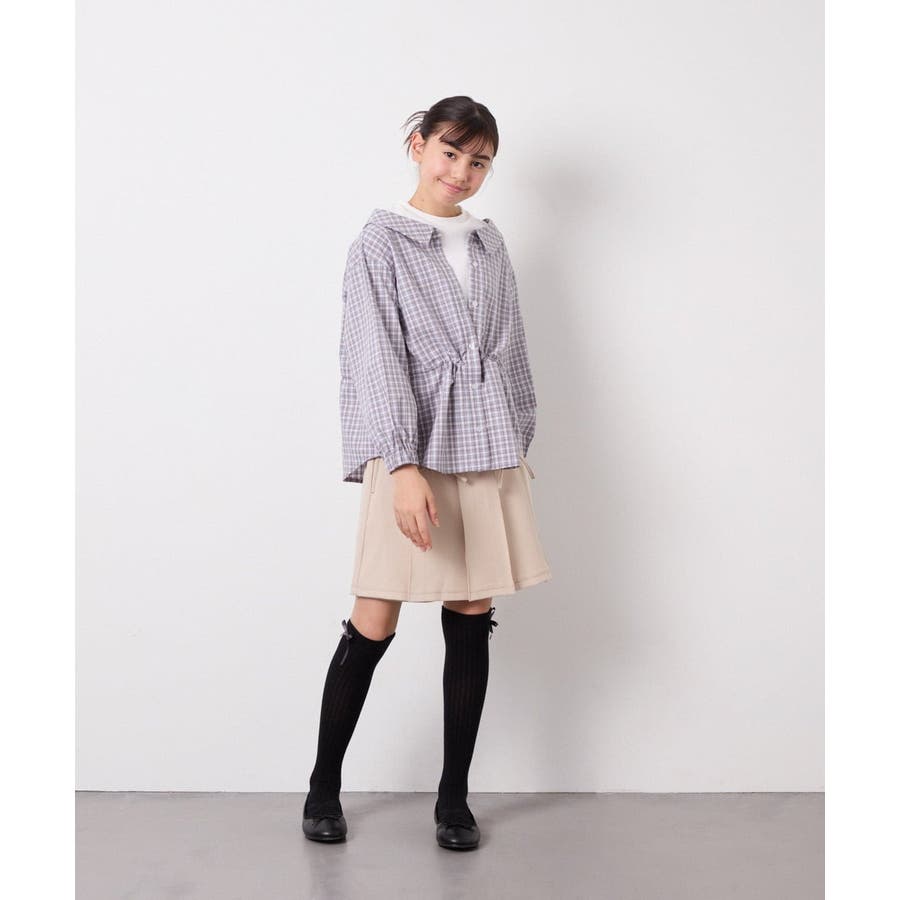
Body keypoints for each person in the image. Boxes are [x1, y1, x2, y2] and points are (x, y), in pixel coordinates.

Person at [302, 95, 552, 851]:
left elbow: (511, 348)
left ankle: (453, 799)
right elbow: (374, 356)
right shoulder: (380, 243)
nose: (462, 172)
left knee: (471, 614)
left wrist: (517, 441)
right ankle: (323, 786)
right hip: (412, 447)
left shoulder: (489, 244)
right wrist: (401, 465)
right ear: (418, 146)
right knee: (374, 617)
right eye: (450, 152)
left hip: (488, 449)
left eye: (479, 161)